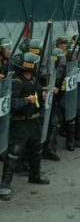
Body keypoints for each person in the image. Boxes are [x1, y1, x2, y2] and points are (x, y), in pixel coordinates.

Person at [0, 52, 50, 201]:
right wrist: (25, 100)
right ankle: (4, 185)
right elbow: (11, 103)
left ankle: (35, 175)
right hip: (19, 122)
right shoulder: (15, 82)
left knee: (37, 149)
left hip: (33, 120)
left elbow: (39, 96)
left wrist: (42, 97)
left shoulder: (34, 80)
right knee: (14, 153)